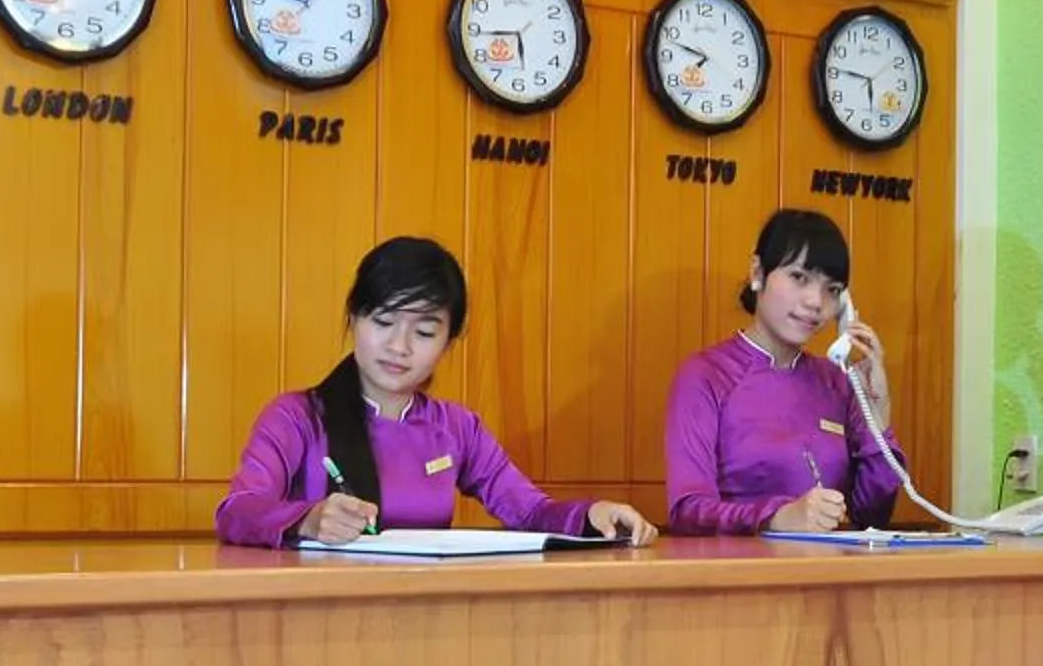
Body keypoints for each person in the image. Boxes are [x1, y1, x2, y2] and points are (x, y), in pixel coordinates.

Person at [215, 237, 656, 548]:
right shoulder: (296, 418)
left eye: (424, 331)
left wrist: (590, 516)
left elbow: (527, 512)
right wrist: (306, 521)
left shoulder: (457, 428)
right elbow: (237, 511)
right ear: (353, 319)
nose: (399, 346)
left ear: (449, 340)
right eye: (384, 323)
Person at [663, 208, 899, 534]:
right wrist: (775, 517)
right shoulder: (705, 375)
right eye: (799, 277)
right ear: (758, 272)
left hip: (831, 575)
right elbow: (688, 510)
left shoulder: (837, 382)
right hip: (741, 576)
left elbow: (871, 517)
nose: (816, 302)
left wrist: (879, 418)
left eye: (832, 289)